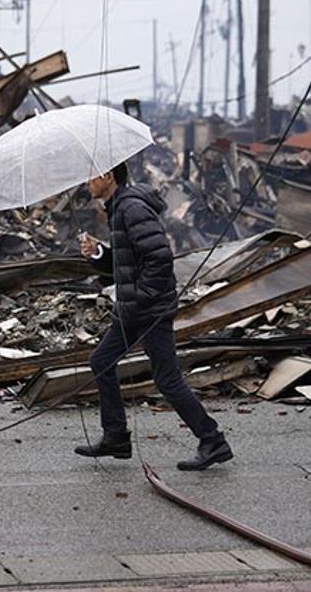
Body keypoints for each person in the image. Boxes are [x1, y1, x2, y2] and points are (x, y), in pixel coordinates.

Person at [75, 161, 233, 470]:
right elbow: (125, 264)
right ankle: (116, 437)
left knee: (167, 379)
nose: (86, 183)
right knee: (100, 361)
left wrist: (142, 300)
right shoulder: (118, 208)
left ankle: (213, 440)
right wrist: (98, 253)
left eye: (90, 175)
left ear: (107, 176)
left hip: (149, 310)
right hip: (134, 310)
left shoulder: (131, 208)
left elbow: (160, 258)